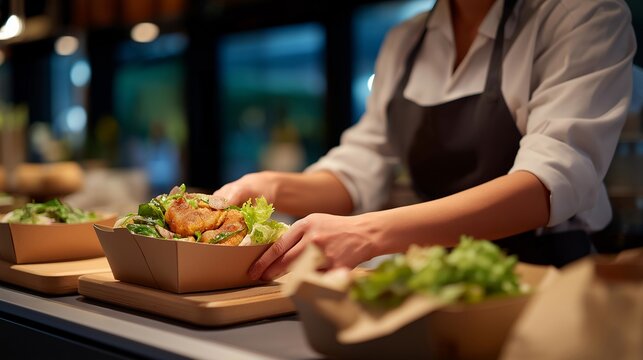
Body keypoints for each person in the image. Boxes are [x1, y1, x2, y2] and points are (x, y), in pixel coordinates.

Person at [214, 0, 637, 280]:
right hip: (435, 278)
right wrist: (268, 187)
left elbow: (548, 184)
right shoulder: (406, 41)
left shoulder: (582, 14)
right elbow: (360, 166)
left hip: (548, 279)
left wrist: (369, 233)